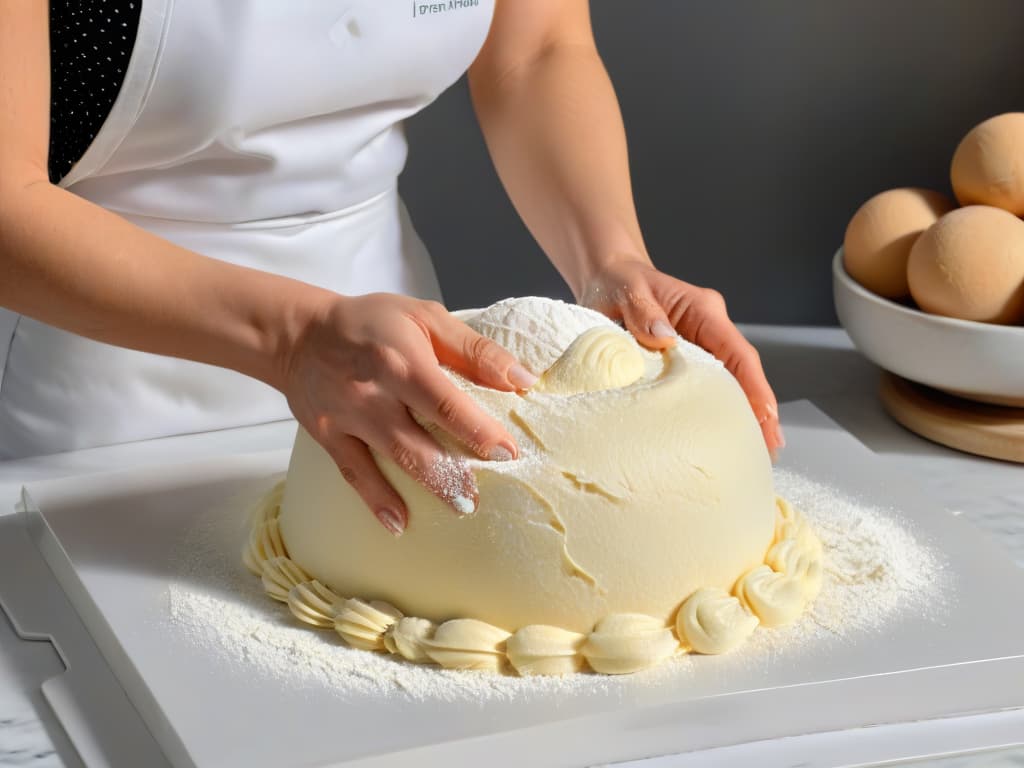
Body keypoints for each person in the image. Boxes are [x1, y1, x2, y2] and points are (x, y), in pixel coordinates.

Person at [0, 1, 782, 537]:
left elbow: (538, 49)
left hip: (400, 372)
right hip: (88, 388)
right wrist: (294, 339)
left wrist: (613, 258)